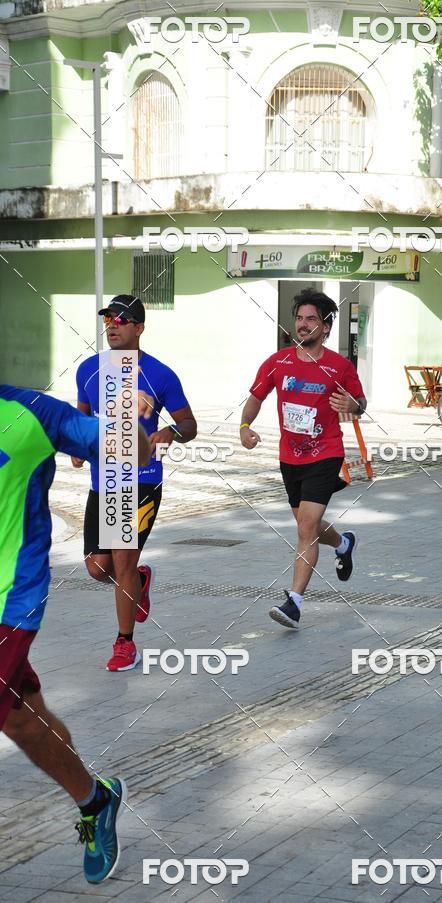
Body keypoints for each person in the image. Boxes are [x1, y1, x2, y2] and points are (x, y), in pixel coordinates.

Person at [0, 384, 151, 883]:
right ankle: (95, 799)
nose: (116, 328)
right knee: (20, 722)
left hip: (8, 601)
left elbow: (130, 451)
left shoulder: (32, 412)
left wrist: (134, 425)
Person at [74, 295, 197, 672]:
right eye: (108, 319)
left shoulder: (159, 375)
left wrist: (169, 431)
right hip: (104, 479)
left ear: (139, 328)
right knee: (98, 567)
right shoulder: (89, 371)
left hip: (141, 480)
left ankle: (125, 643)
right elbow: (79, 417)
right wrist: (76, 445)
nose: (113, 325)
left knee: (123, 561)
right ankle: (139, 582)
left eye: (122, 320)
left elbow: (189, 425)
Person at [240, 287, 367, 629]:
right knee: (305, 525)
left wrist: (352, 407)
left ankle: (294, 602)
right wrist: (244, 425)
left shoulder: (339, 367)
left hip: (326, 453)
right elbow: (255, 397)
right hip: (289, 458)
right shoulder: (278, 362)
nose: (303, 324)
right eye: (299, 318)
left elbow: (360, 404)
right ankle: (343, 543)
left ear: (325, 327)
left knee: (306, 527)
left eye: (311, 319)